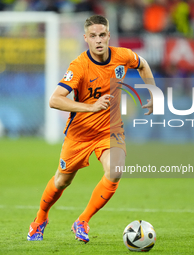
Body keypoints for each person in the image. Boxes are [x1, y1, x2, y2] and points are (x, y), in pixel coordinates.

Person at [27, 15, 155, 243]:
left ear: (109, 36)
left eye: (102, 35)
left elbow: (142, 64)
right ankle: (40, 219)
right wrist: (90, 106)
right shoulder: (79, 66)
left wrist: (153, 91)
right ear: (85, 38)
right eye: (93, 36)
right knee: (61, 181)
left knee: (115, 171)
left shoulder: (122, 56)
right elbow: (55, 100)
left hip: (109, 129)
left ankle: (82, 220)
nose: (98, 40)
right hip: (80, 134)